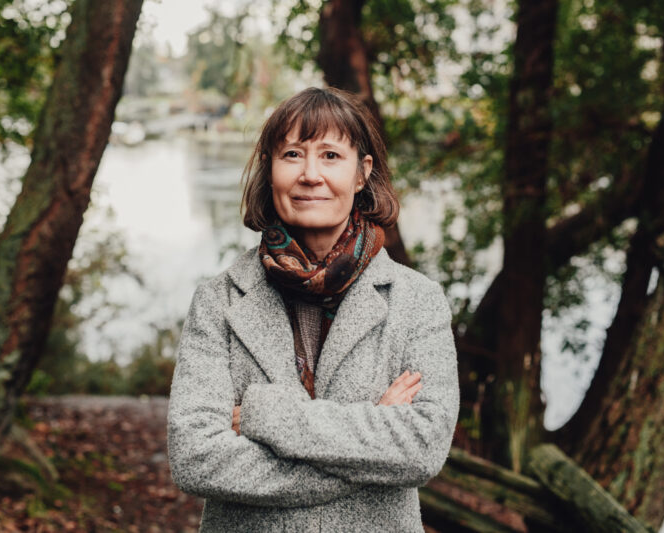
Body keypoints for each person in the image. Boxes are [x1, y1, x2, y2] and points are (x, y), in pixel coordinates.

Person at [167, 87, 459, 532]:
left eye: (329, 156)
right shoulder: (220, 301)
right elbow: (196, 459)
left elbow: (421, 449)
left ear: (361, 174)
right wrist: (372, 446)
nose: (309, 174)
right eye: (291, 155)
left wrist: (267, 415)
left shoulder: (417, 301)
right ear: (269, 168)